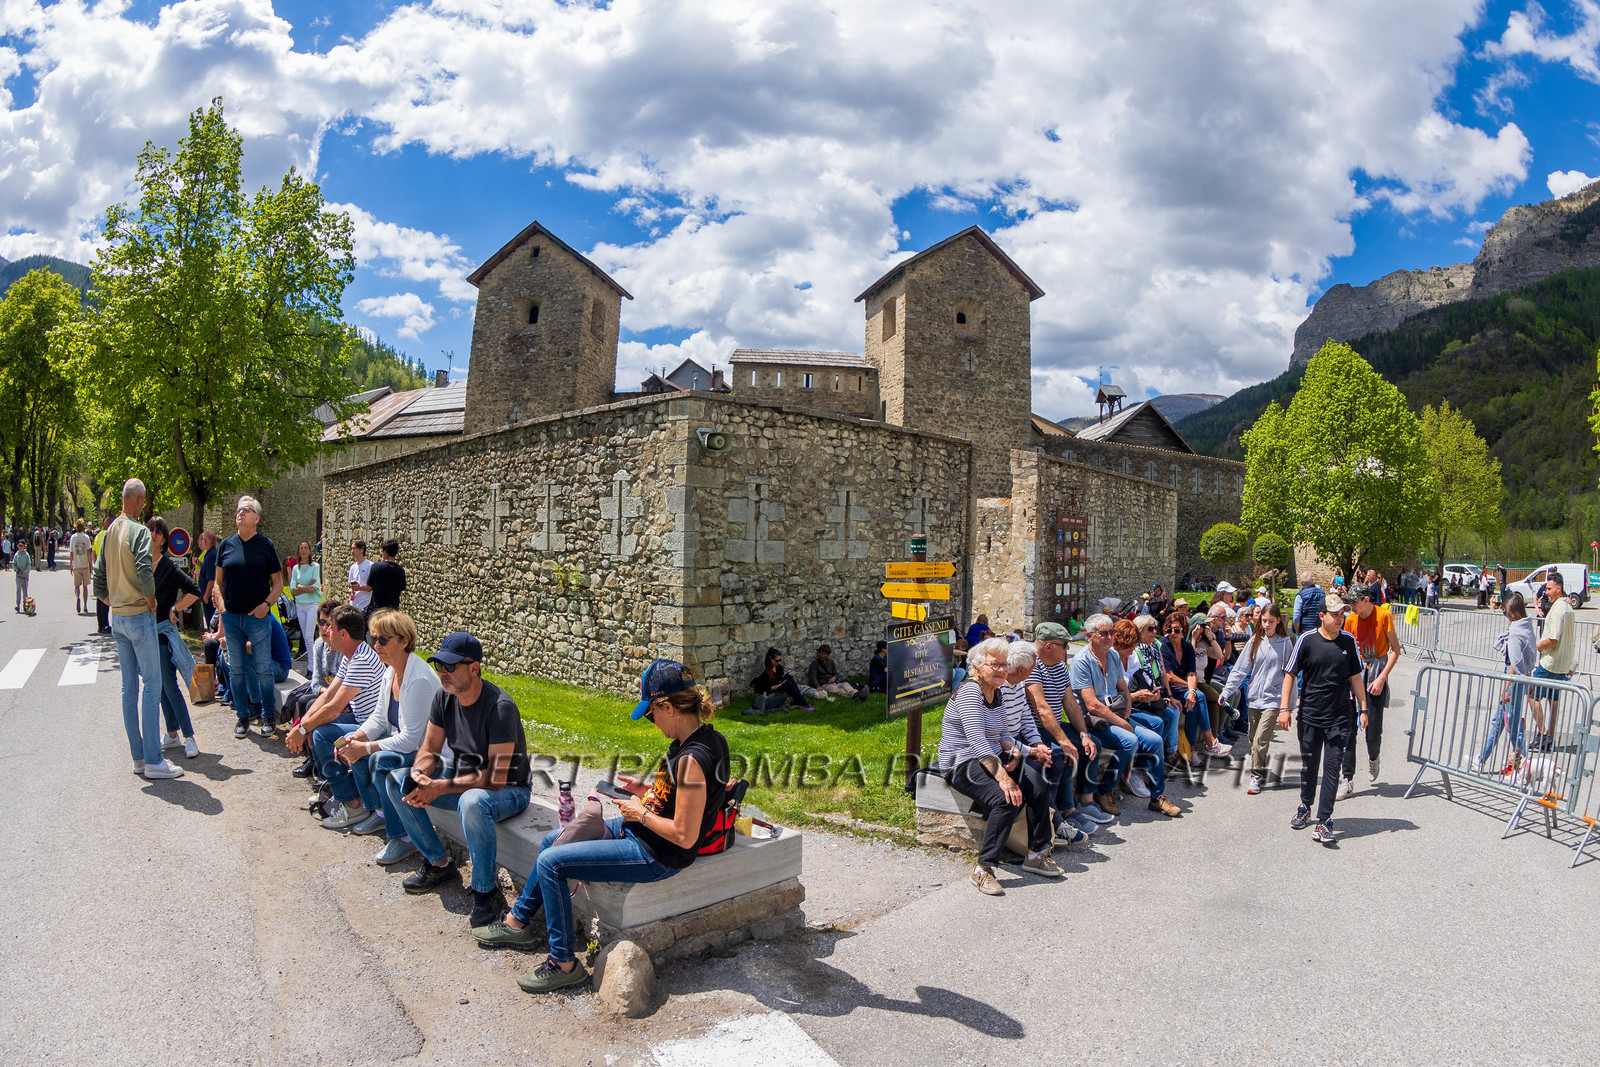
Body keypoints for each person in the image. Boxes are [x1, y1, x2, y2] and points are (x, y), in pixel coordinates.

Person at [473, 660, 730, 993]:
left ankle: (563, 963)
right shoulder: (699, 740)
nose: (652, 723)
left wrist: (640, 813)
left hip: (657, 853)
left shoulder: (693, 758)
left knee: (552, 864)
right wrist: (645, 791)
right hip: (640, 832)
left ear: (668, 706)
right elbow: (682, 796)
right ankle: (517, 921)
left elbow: (684, 835)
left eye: (651, 714)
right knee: (553, 841)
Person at [383, 631, 531, 928]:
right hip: (464, 776)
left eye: (450, 667)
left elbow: (495, 777)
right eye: (439, 666)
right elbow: (429, 748)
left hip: (511, 789)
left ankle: (485, 893)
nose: (443, 672)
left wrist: (439, 788)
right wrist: (420, 774)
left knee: (472, 802)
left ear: (474, 668)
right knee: (398, 780)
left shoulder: (500, 707)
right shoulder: (444, 696)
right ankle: (439, 865)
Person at [936, 638, 1060, 895]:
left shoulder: (997, 691)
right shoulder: (970, 692)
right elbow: (978, 741)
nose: (1002, 670)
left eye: (1004, 665)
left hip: (990, 755)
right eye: (995, 665)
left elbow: (1003, 733)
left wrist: (1015, 750)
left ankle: (1035, 854)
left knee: (1038, 785)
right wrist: (1004, 778)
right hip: (961, 761)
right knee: (1006, 798)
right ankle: (983, 869)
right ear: (977, 666)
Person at [326, 610, 443, 847]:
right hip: (406, 744)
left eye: (383, 639)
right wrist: (356, 737)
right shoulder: (391, 671)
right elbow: (379, 718)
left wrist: (366, 747)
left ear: (404, 641)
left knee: (378, 760)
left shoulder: (418, 679)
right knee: (353, 745)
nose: (375, 645)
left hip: (428, 755)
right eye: (373, 639)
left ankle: (402, 836)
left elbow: (411, 740)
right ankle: (378, 813)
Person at [94, 479, 183, 780]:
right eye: (144, 501)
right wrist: (151, 601)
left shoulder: (107, 533)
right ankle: (153, 760)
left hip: (117, 616)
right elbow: (145, 570)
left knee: (128, 688)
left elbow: (97, 580)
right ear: (140, 499)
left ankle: (137, 758)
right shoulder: (139, 531)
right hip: (138, 615)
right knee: (152, 685)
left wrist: (112, 601)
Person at [285, 605, 387, 820]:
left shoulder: (361, 660)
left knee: (321, 732)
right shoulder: (351, 656)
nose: (325, 632)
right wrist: (302, 725)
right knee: (315, 725)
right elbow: (328, 695)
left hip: (375, 729)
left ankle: (353, 803)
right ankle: (338, 790)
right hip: (362, 720)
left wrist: (305, 728)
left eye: (329, 627)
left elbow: (334, 709)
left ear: (343, 633)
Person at [1280, 593, 1366, 844]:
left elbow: (1356, 678)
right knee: (1309, 766)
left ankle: (1325, 819)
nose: (1341, 619)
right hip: (1310, 715)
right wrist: (1285, 709)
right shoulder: (1307, 640)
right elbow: (1290, 674)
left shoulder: (1348, 641)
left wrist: (1364, 709)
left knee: (1331, 768)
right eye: (1335, 614)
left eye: (1342, 614)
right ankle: (1305, 806)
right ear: (1321, 615)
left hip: (1339, 717)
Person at [1071, 615, 1173, 820]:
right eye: (1104, 633)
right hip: (1094, 719)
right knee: (1130, 740)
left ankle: (1157, 796)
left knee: (1155, 739)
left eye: (1112, 633)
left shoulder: (1112, 656)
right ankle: (1105, 790)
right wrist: (1123, 722)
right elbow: (1091, 704)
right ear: (1090, 636)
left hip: (1116, 713)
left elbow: (1123, 689)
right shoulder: (1081, 661)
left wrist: (1126, 714)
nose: (1109, 637)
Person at [1022, 621, 1099, 840]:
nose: (1068, 649)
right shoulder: (1032, 666)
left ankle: (1086, 801)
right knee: (1063, 754)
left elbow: (1070, 703)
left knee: (1093, 743)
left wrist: (1083, 734)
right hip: (1036, 728)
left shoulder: (1058, 665)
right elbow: (1042, 709)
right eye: (1064, 645)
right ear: (1048, 646)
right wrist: (1065, 741)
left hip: (1054, 723)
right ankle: (1066, 811)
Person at [215, 496, 284, 739]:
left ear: (256, 518)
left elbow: (278, 583)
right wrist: (221, 606)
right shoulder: (225, 545)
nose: (240, 513)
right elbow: (218, 582)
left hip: (258, 617)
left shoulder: (265, 545)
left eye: (246, 510)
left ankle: (267, 716)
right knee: (236, 670)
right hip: (232, 617)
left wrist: (267, 604)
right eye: (238, 510)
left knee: (264, 669)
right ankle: (243, 717)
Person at [1220, 601, 1292, 794]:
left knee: (1260, 739)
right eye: (1264, 621)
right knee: (1253, 738)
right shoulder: (1255, 641)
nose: (1266, 624)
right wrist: (1226, 692)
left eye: (1270, 621)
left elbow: (1289, 675)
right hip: (1255, 698)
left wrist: (1287, 706)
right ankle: (1260, 763)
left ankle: (1256, 775)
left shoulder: (1285, 643)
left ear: (1278, 621)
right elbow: (1241, 669)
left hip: (1273, 698)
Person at [1112, 618, 1183, 816]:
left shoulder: (1130, 656)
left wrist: (1155, 693)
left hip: (1128, 707)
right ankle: (1146, 782)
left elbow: (1138, 681)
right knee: (1155, 735)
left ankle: (1142, 772)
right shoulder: (1111, 658)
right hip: (1115, 711)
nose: (1133, 648)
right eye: (1129, 644)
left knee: (1160, 720)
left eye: (1134, 643)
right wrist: (1135, 698)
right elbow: (1111, 697)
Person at [147, 517, 203, 761]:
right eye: (150, 529)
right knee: (158, 688)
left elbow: (195, 591)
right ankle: (172, 734)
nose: (153, 534)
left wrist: (175, 609)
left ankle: (189, 737)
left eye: (158, 531)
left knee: (170, 686)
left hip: (162, 634)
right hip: (144, 635)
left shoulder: (168, 567)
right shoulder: (140, 564)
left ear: (164, 538)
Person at [1472, 592, 1537, 774]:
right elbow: (1528, 658)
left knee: (1513, 726)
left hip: (1514, 681)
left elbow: (1515, 663)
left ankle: (1524, 765)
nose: (1505, 616)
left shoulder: (1516, 632)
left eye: (1505, 612)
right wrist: (1528, 678)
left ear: (1511, 612)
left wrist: (1506, 688)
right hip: (1521, 679)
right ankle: (1481, 758)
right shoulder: (1527, 627)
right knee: (1499, 721)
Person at [1160, 615, 1231, 765]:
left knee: (1193, 703)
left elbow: (1192, 673)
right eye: (1169, 630)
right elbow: (1169, 676)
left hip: (1186, 689)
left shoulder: (1186, 647)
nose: (1173, 633)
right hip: (1171, 690)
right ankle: (1210, 741)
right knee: (1199, 697)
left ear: (1183, 630)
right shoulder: (1163, 646)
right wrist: (1191, 688)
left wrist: (1191, 692)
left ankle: (1193, 750)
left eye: (1177, 630)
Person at [1529, 570, 1576, 752]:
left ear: (1559, 588)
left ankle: (1544, 734)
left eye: (1549, 589)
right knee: (1553, 700)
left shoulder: (1557, 610)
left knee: (1532, 693)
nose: (1546, 592)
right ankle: (1550, 737)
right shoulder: (1568, 608)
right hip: (1562, 664)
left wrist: (1538, 646)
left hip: (1551, 662)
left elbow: (1554, 639)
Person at [747, 648, 813, 715]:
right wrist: (781, 684)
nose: (778, 662)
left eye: (780, 660)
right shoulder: (766, 674)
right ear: (771, 659)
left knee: (788, 677)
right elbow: (768, 688)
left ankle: (800, 699)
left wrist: (782, 682)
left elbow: (780, 678)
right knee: (788, 684)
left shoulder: (779, 668)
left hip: (779, 686)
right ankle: (804, 704)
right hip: (771, 692)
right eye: (777, 661)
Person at [289, 541, 322, 659]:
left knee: (309, 636)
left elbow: (315, 588)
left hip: (312, 605)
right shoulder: (295, 569)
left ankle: (312, 666)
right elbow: (292, 590)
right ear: (298, 552)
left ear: (309, 551)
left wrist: (301, 586)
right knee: (305, 636)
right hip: (300, 605)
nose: (303, 550)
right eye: (301, 548)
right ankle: (311, 664)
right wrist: (307, 587)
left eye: (306, 548)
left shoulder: (315, 567)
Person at [366, 539, 406, 617]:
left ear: (385, 552)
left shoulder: (376, 567)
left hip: (377, 610)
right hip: (393, 610)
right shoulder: (401, 570)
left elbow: (369, 588)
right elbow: (400, 591)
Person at [196, 530, 219, 628]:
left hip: (210, 599)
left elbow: (211, 579)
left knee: (211, 624)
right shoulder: (211, 553)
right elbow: (208, 571)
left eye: (202, 539)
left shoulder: (210, 555)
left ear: (205, 541)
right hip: (209, 597)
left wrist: (206, 596)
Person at [69, 520, 93, 614]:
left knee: (77, 585)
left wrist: (71, 564)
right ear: (83, 527)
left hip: (76, 565)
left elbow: (71, 552)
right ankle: (85, 605)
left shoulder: (73, 538)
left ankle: (78, 597)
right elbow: (88, 552)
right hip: (85, 564)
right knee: (85, 586)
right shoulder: (86, 537)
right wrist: (91, 564)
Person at [346, 540, 373, 615]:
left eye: (354, 548)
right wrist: (351, 590)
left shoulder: (370, 566)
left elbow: (372, 587)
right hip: (353, 606)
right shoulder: (352, 567)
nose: (352, 551)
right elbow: (351, 587)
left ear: (362, 549)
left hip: (365, 605)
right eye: (351, 549)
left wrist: (359, 588)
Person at [11, 538, 30, 613]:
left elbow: (29, 565)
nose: (21, 547)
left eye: (22, 546)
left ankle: (25, 605)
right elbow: (13, 564)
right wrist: (17, 571)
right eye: (19, 546)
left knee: (25, 591)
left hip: (25, 576)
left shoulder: (26, 555)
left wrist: (24, 573)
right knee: (18, 591)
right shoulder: (16, 555)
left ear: (24, 546)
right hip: (18, 576)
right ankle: (18, 605)